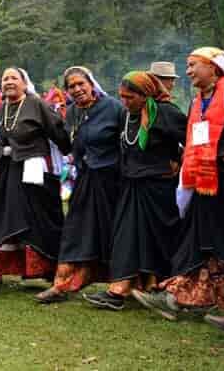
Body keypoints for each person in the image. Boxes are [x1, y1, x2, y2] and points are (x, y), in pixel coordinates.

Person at [132, 47, 224, 320]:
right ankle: (178, 297)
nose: (188, 71)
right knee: (201, 239)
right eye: (188, 65)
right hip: (204, 183)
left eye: (194, 65)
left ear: (214, 67)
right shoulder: (196, 102)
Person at [0, 68, 72, 295]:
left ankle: (56, 277)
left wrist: (70, 151)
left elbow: (58, 132)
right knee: (1, 220)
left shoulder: (37, 104)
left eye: (13, 78)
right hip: (9, 172)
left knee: (40, 222)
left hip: (35, 173)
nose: (8, 82)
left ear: (24, 83)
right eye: (5, 79)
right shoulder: (2, 109)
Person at [83, 71, 186, 310]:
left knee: (160, 240)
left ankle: (164, 289)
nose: (125, 102)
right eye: (121, 97)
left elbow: (191, 140)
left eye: (130, 97)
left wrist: (178, 163)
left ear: (145, 95)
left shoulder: (166, 113)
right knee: (125, 237)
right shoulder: (127, 115)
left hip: (158, 189)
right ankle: (118, 291)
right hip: (131, 186)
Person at [35, 66, 124, 303]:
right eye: (71, 86)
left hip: (112, 182)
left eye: (80, 84)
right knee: (74, 230)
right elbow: (71, 145)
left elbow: (128, 142)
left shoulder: (114, 108)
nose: (77, 89)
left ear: (91, 84)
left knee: (111, 233)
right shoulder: (72, 113)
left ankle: (120, 287)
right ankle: (60, 285)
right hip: (85, 181)